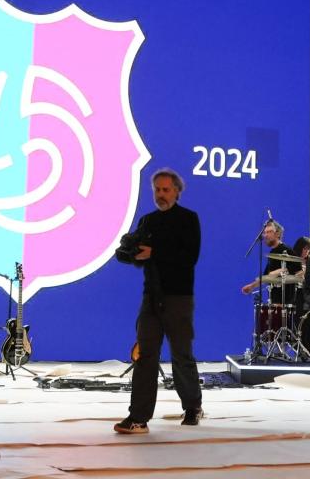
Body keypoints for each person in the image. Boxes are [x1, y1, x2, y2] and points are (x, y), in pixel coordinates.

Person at [114, 168, 203, 435]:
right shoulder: (147, 221)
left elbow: (189, 256)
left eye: (165, 190)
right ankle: (138, 417)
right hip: (151, 296)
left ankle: (192, 406)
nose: (160, 194)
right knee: (146, 356)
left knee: (181, 354)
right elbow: (126, 254)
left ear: (177, 191)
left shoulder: (189, 219)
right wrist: (132, 254)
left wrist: (154, 253)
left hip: (179, 297)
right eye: (157, 190)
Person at [241, 220, 300, 305]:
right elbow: (267, 277)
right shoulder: (272, 253)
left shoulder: (286, 250)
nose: (266, 235)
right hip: (274, 299)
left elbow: (299, 271)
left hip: (285, 301)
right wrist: (251, 286)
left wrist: (281, 271)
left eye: (269, 232)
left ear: (278, 233)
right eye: (265, 232)